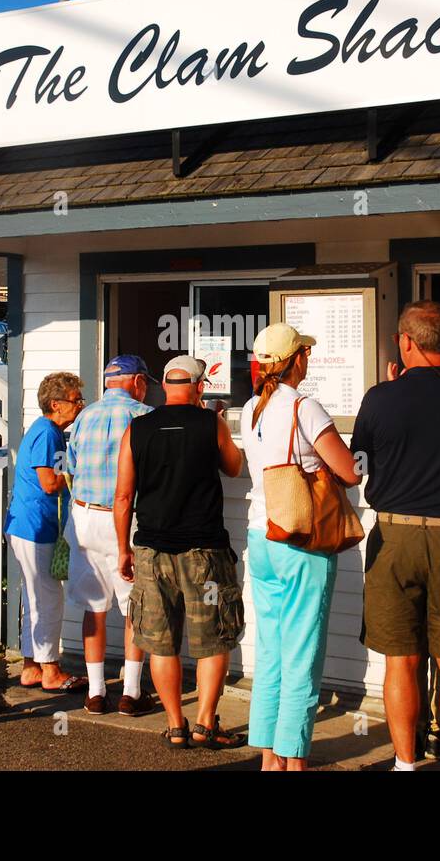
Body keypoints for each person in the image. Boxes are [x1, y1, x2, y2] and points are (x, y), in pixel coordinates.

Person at [352, 301, 440, 773]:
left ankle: (405, 763)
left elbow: (359, 464)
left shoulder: (380, 398)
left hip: (394, 537)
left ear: (406, 342)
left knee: (402, 660)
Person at [242, 324, 361, 770]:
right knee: (303, 656)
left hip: (261, 534)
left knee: (271, 652)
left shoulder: (252, 407)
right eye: (305, 353)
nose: (308, 360)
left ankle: (270, 757)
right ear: (295, 360)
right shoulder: (304, 407)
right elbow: (349, 471)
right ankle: (294, 761)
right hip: (300, 539)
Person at [115, 355, 246, 749]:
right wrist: (211, 420)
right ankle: (206, 722)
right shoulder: (211, 424)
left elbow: (123, 497)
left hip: (152, 553)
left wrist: (124, 549)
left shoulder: (137, 429)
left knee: (160, 641)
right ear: (199, 387)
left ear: (164, 387)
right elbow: (235, 467)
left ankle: (175, 725)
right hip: (205, 552)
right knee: (213, 639)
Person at [64, 354, 158, 716]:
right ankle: (131, 692)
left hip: (85, 517)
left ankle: (97, 691)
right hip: (125, 520)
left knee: (94, 609)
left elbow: (71, 465)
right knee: (135, 607)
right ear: (136, 382)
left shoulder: (84, 416)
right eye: (144, 382)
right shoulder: (143, 416)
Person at [4, 371, 88, 692]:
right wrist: (77, 468)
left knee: (34, 596)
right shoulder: (49, 434)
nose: (79, 406)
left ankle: (31, 667)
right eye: (75, 400)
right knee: (48, 599)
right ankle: (51, 671)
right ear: (56, 404)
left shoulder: (43, 431)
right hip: (35, 526)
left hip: (27, 525)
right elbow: (50, 483)